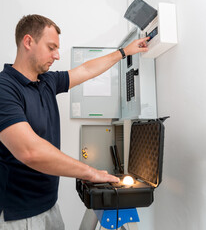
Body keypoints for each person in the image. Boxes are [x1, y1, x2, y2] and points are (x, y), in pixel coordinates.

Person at [0, 14, 149, 230]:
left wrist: (125, 52)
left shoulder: (47, 81)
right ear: (28, 42)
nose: (57, 55)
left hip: (49, 206)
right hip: (20, 215)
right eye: (51, 47)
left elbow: (86, 70)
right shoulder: (5, 88)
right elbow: (29, 151)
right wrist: (90, 172)